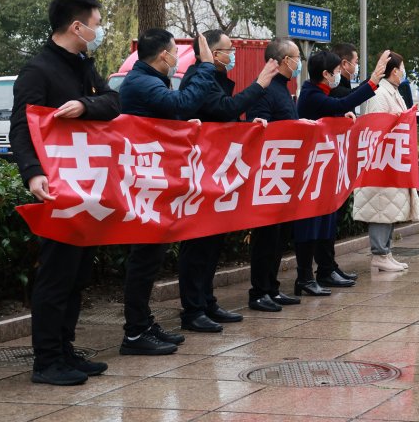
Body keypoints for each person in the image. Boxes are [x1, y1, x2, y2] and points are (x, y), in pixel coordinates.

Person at [10, 0, 120, 385]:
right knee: (56, 276)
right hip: (55, 187)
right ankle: (47, 360)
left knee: (77, 275)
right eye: (97, 22)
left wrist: (84, 106)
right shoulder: (37, 71)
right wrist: (32, 173)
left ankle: (66, 349)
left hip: (85, 187)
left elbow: (113, 101)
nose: (99, 31)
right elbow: (21, 128)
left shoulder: (84, 68)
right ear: (78, 27)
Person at [117, 29, 222, 355]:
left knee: (152, 256)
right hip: (145, 180)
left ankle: (144, 322)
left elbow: (173, 111)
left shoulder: (151, 80)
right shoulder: (141, 82)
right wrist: (205, 66)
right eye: (175, 51)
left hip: (156, 177)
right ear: (164, 55)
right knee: (144, 258)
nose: (177, 58)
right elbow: (183, 101)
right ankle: (134, 333)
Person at [176, 30, 279, 333]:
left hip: (216, 172)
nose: (231, 55)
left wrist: (247, 125)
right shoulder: (200, 77)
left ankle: (206, 301)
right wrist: (259, 84)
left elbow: (226, 118)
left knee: (212, 239)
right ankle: (192, 309)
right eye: (227, 50)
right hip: (200, 172)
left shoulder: (214, 78)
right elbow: (222, 109)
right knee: (197, 243)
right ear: (210, 52)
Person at [293, 49, 391, 295]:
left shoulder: (321, 92)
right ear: (326, 74)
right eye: (336, 71)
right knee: (309, 226)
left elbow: (336, 108)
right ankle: (304, 278)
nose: (339, 75)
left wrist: (340, 115)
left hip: (324, 171)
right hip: (310, 174)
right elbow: (339, 102)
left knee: (327, 220)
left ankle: (326, 269)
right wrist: (373, 80)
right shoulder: (311, 94)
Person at [243, 38, 305, 312]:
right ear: (282, 61)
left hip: (284, 174)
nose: (298, 62)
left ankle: (272, 287)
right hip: (268, 175)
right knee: (265, 235)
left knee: (279, 235)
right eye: (295, 57)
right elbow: (258, 129)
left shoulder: (284, 89)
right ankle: (259, 291)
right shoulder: (265, 90)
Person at [359, 52, 419, 272]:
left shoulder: (393, 91)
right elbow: (377, 125)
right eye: (402, 68)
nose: (404, 72)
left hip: (392, 160)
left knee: (389, 208)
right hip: (381, 161)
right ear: (394, 71)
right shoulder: (379, 94)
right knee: (381, 207)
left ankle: (386, 252)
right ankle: (379, 253)